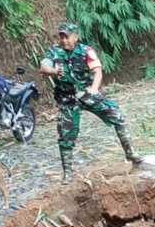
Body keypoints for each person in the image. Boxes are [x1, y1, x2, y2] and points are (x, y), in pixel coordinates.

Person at [39, 23, 140, 183]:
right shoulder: (54, 52)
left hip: (86, 93)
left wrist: (94, 88)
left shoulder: (86, 51)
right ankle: (67, 174)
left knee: (117, 115)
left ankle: (130, 153)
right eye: (62, 36)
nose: (64, 40)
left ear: (75, 37)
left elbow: (97, 70)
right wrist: (53, 71)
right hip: (67, 99)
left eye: (67, 36)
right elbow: (44, 67)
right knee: (66, 136)